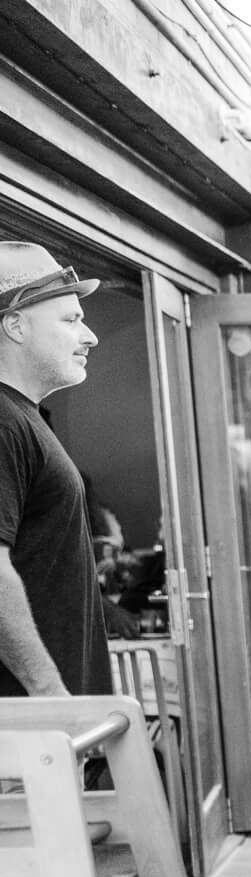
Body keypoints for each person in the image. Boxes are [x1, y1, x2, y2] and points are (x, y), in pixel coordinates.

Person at [0, 242, 111, 699]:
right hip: (30, 734)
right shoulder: (4, 421)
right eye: (71, 320)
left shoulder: (22, 418)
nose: (91, 337)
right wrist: (49, 694)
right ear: (15, 325)